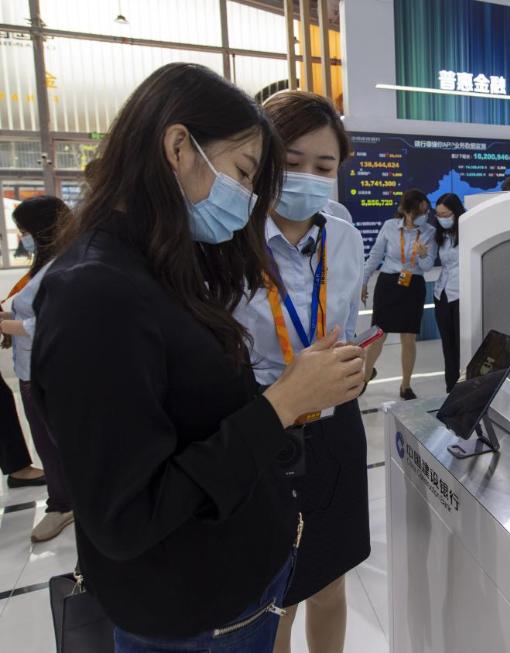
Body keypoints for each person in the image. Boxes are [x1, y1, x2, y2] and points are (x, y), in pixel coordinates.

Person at [30, 63, 365, 652]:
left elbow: (192, 418)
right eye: (244, 173)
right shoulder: (95, 294)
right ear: (179, 147)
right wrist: (281, 403)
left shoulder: (160, 265)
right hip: (195, 613)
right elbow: (129, 514)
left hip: (231, 582)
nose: (246, 199)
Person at [234, 90, 368, 653]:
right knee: (276, 597)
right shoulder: (230, 241)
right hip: (265, 425)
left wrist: (358, 364)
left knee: (331, 581)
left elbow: (346, 326)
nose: (307, 177)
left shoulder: (344, 237)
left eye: (324, 166)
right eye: (291, 162)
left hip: (335, 426)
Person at [0, 196, 73, 542]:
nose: (22, 238)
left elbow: (52, 322)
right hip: (34, 369)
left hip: (49, 370)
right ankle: (64, 501)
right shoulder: (47, 264)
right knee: (48, 443)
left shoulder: (65, 265)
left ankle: (64, 503)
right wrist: (8, 319)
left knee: (59, 443)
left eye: (25, 231)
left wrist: (7, 326)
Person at [361, 189, 436, 400]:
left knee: (409, 337)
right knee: (379, 333)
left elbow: (427, 266)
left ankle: (406, 385)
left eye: (426, 211)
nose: (423, 216)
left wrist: (423, 255)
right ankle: (365, 377)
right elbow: (375, 256)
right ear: (406, 211)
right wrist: (363, 281)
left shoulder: (429, 231)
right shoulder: (389, 226)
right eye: (419, 212)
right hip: (388, 284)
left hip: (413, 285)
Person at [433, 193, 463, 393]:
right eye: (438, 215)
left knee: (462, 343)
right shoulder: (440, 235)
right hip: (441, 293)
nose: (442, 219)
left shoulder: (469, 231)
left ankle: (464, 386)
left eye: (445, 215)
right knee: (447, 343)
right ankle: (451, 387)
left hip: (462, 293)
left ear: (456, 212)